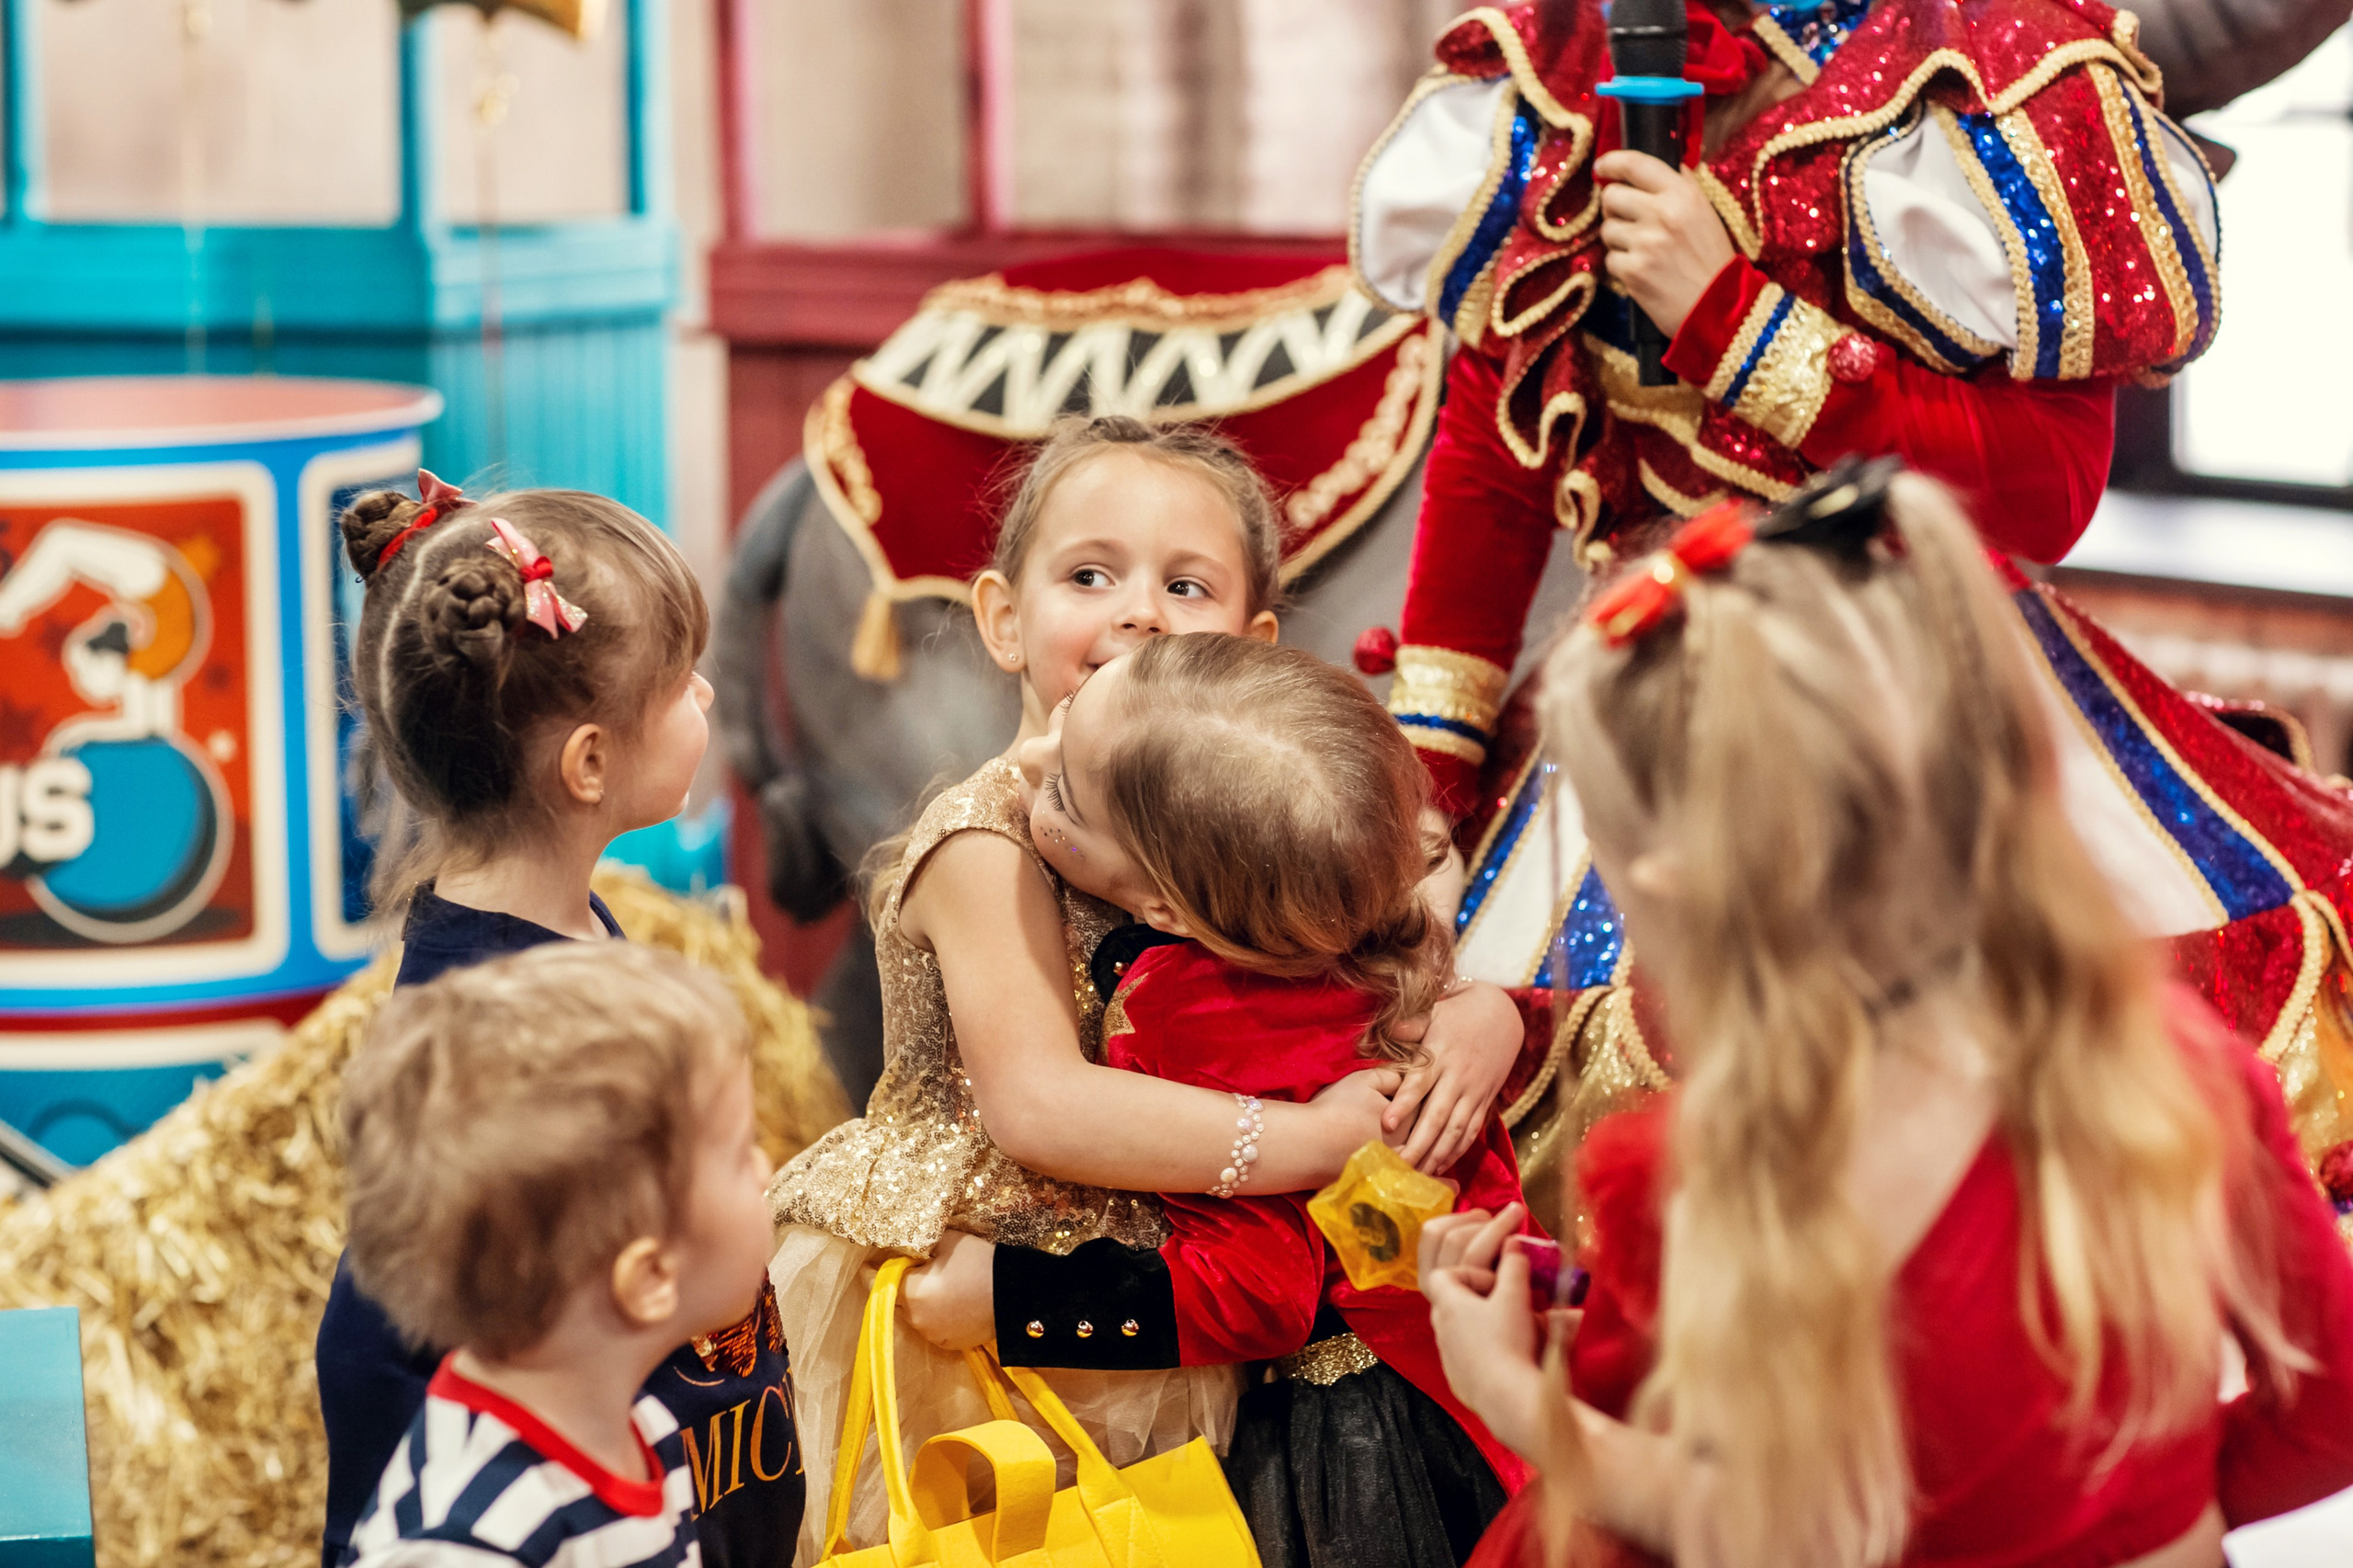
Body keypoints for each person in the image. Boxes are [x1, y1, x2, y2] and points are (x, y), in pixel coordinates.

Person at [1350, 0, 2353, 1215]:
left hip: (1913, 692)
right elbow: (1492, 456)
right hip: (1634, 715)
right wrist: (1429, 769)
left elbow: (2044, 491)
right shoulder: (1562, 56)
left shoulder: (1997, 57)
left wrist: (1733, 322)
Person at [1420, 467, 2353, 1567]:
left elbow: (1748, 1523)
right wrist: (2141, 1514)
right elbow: (2327, 1408)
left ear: (1670, 885)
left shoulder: (1693, 1173)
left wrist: (1515, 1390)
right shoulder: (2187, 1071)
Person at [765, 416, 1528, 1561]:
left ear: (1252, 645)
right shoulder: (992, 843)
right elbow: (1041, 1105)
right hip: (1000, 1301)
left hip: (1190, 1310)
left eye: (1186, 583)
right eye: (1089, 574)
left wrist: (1480, 1013)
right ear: (1003, 618)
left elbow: (1392, 947)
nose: (1138, 611)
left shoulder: (1248, 818)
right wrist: (1312, 1139)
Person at [899, 632, 1540, 1568]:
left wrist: (1014, 1299)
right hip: (1494, 1374)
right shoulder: (1369, 923)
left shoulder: (1191, 1013)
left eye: (1065, 793)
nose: (1042, 769)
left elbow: (1259, 1293)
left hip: (1372, 1434)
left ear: (1164, 908)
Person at [313, 474, 802, 1568]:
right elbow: (378, 1337)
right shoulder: (494, 1033)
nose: (710, 698)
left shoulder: (569, 923)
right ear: (588, 762)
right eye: (681, 682)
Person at [339, 944, 777, 1568]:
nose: (766, 1169)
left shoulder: (643, 1428)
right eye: (740, 1154)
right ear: (651, 1276)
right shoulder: (469, 1542)